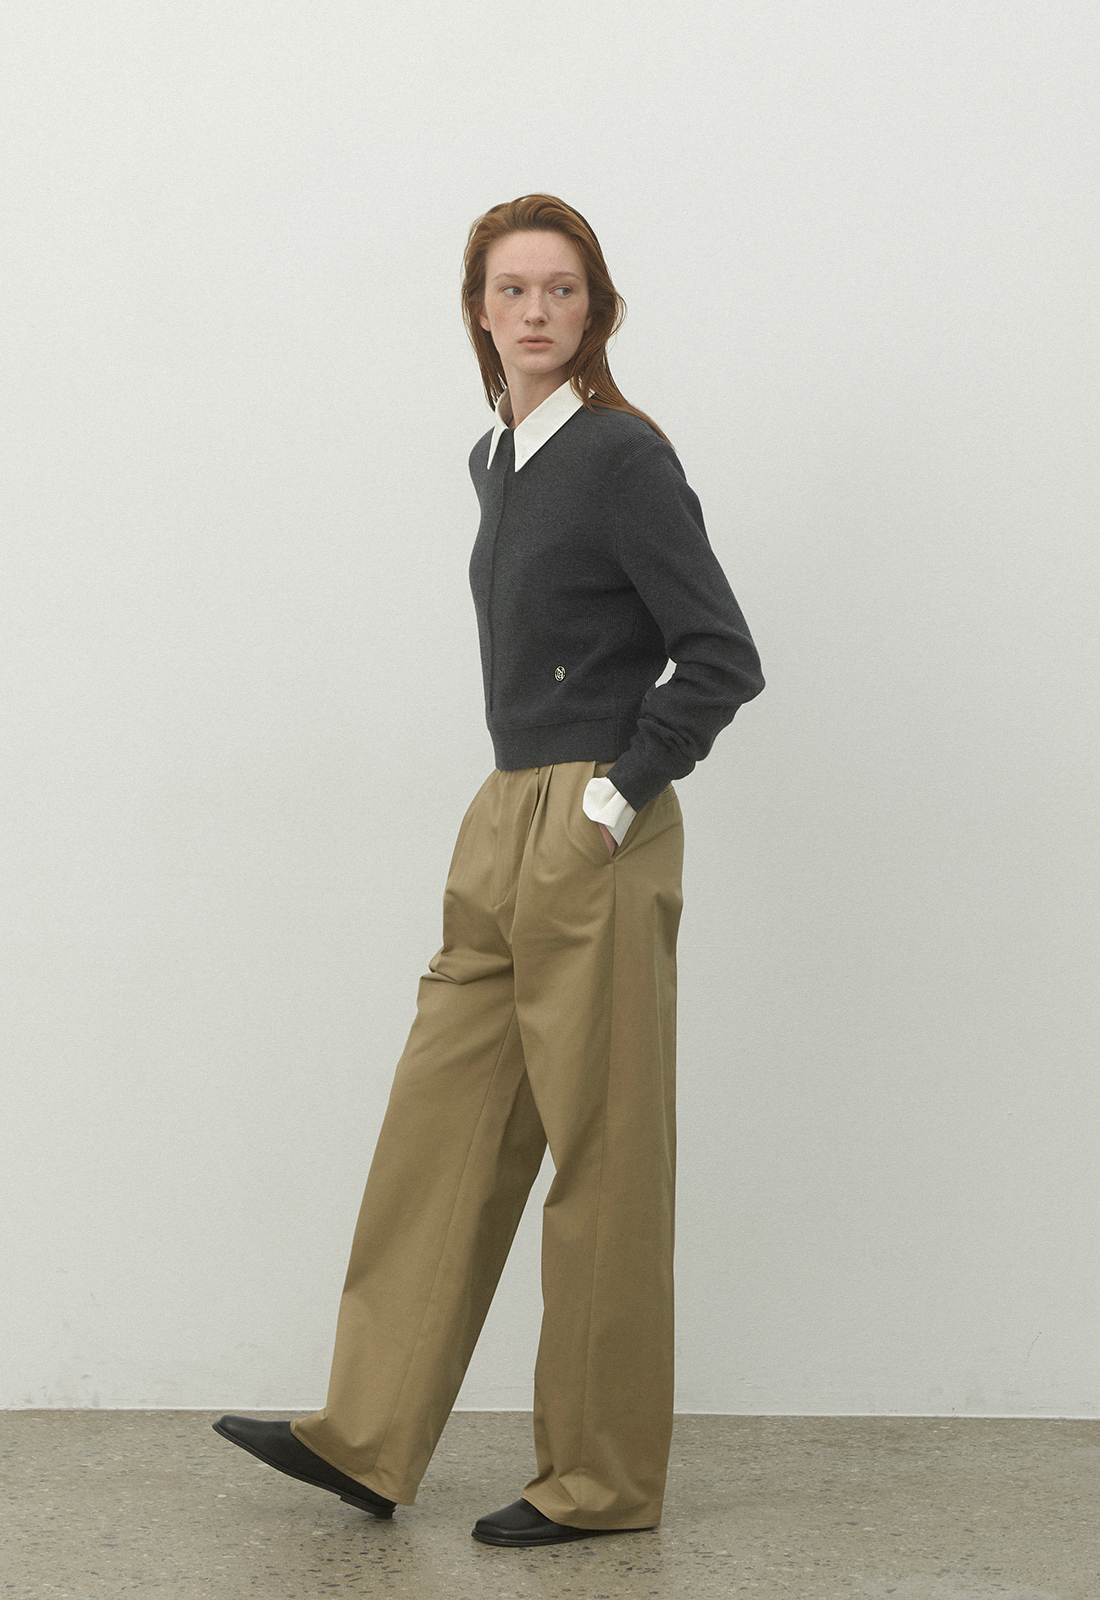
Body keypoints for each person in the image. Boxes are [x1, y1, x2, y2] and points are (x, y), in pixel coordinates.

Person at [214, 192, 764, 1549]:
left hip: (595, 821)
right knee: (441, 1121)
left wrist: (619, 795)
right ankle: (368, 1434)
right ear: (478, 308)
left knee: (604, 1159)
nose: (535, 310)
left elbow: (721, 654)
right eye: (512, 289)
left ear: (597, 310)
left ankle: (600, 1482)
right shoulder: (498, 456)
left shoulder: (622, 455)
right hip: (501, 814)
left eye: (561, 289)